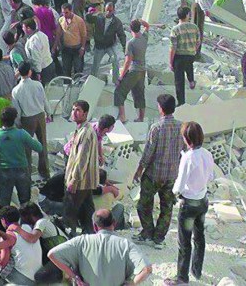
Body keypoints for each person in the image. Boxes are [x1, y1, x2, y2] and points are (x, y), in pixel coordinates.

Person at [165, 122, 215, 286]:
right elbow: (211, 177)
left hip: (189, 204)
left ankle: (182, 278)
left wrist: (174, 193)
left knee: (184, 243)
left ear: (187, 138)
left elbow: (179, 185)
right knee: (199, 237)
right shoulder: (207, 154)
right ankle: (197, 270)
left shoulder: (187, 157)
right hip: (202, 200)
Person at [48, 209, 152, 286]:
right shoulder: (126, 245)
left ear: (94, 226)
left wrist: (75, 277)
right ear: (114, 223)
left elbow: (52, 254)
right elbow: (146, 269)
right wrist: (131, 284)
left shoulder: (81, 241)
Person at [133, 94, 183, 249]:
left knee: (144, 204)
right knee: (166, 207)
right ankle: (159, 238)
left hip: (154, 174)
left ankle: (147, 232)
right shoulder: (181, 127)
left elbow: (148, 152)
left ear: (160, 108)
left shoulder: (156, 127)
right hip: (171, 175)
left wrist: (139, 170)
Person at [0, 107, 43, 206]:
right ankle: (25, 219)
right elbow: (39, 147)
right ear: (14, 119)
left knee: (4, 202)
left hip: (3, 171)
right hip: (22, 169)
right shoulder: (21, 134)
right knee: (25, 201)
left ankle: (6, 219)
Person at [63, 100, 99, 235]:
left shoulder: (85, 132)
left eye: (78, 110)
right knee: (88, 209)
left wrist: (74, 179)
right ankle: (91, 233)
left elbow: (81, 159)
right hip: (86, 180)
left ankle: (69, 236)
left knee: (70, 208)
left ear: (85, 113)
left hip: (80, 180)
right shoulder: (81, 130)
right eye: (73, 110)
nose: (74, 113)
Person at [11, 62, 51, 179]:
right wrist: (49, 113)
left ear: (19, 73)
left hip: (26, 119)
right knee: (43, 143)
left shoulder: (16, 90)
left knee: (27, 148)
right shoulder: (38, 85)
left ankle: (27, 175)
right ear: (30, 72)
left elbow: (17, 110)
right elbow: (44, 100)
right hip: (40, 115)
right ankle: (45, 171)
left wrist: (18, 123)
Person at [0, 206, 42, 285]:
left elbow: (2, 263)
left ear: (3, 220)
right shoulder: (27, 228)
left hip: (24, 279)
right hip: (39, 275)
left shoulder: (6, 236)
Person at [116, 19, 150, 123]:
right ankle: (141, 118)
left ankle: (122, 118)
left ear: (131, 29)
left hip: (134, 70)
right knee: (140, 94)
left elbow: (128, 61)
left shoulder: (130, 43)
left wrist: (121, 76)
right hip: (142, 70)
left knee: (119, 92)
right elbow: (147, 26)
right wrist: (141, 21)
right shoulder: (144, 38)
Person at [88, 2, 127, 83]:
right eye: (107, 10)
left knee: (115, 61)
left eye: (110, 10)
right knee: (96, 65)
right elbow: (88, 18)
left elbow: (121, 35)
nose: (108, 12)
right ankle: (91, 81)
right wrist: (90, 13)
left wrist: (124, 47)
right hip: (99, 46)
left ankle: (115, 80)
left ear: (113, 10)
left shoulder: (116, 22)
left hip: (109, 45)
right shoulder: (99, 17)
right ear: (104, 10)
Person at [169, 7, 200, 107]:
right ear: (187, 15)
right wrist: (193, 49)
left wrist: (170, 62)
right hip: (190, 55)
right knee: (189, 66)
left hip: (179, 56)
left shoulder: (175, 30)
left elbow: (173, 48)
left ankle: (181, 102)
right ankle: (191, 80)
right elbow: (198, 42)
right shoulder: (194, 27)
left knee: (179, 81)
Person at [55, 3, 88, 77]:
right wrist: (56, 46)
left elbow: (84, 35)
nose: (64, 14)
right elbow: (58, 34)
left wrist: (82, 47)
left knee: (78, 68)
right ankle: (67, 85)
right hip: (66, 49)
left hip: (77, 48)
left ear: (71, 11)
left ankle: (78, 84)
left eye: (66, 12)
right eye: (63, 12)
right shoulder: (61, 20)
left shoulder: (79, 20)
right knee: (66, 69)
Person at [23, 19, 55, 86]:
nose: (23, 29)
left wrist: (38, 73)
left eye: (24, 27)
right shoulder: (42, 34)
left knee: (44, 90)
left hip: (43, 70)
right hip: (50, 64)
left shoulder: (33, 41)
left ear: (28, 28)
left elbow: (36, 58)